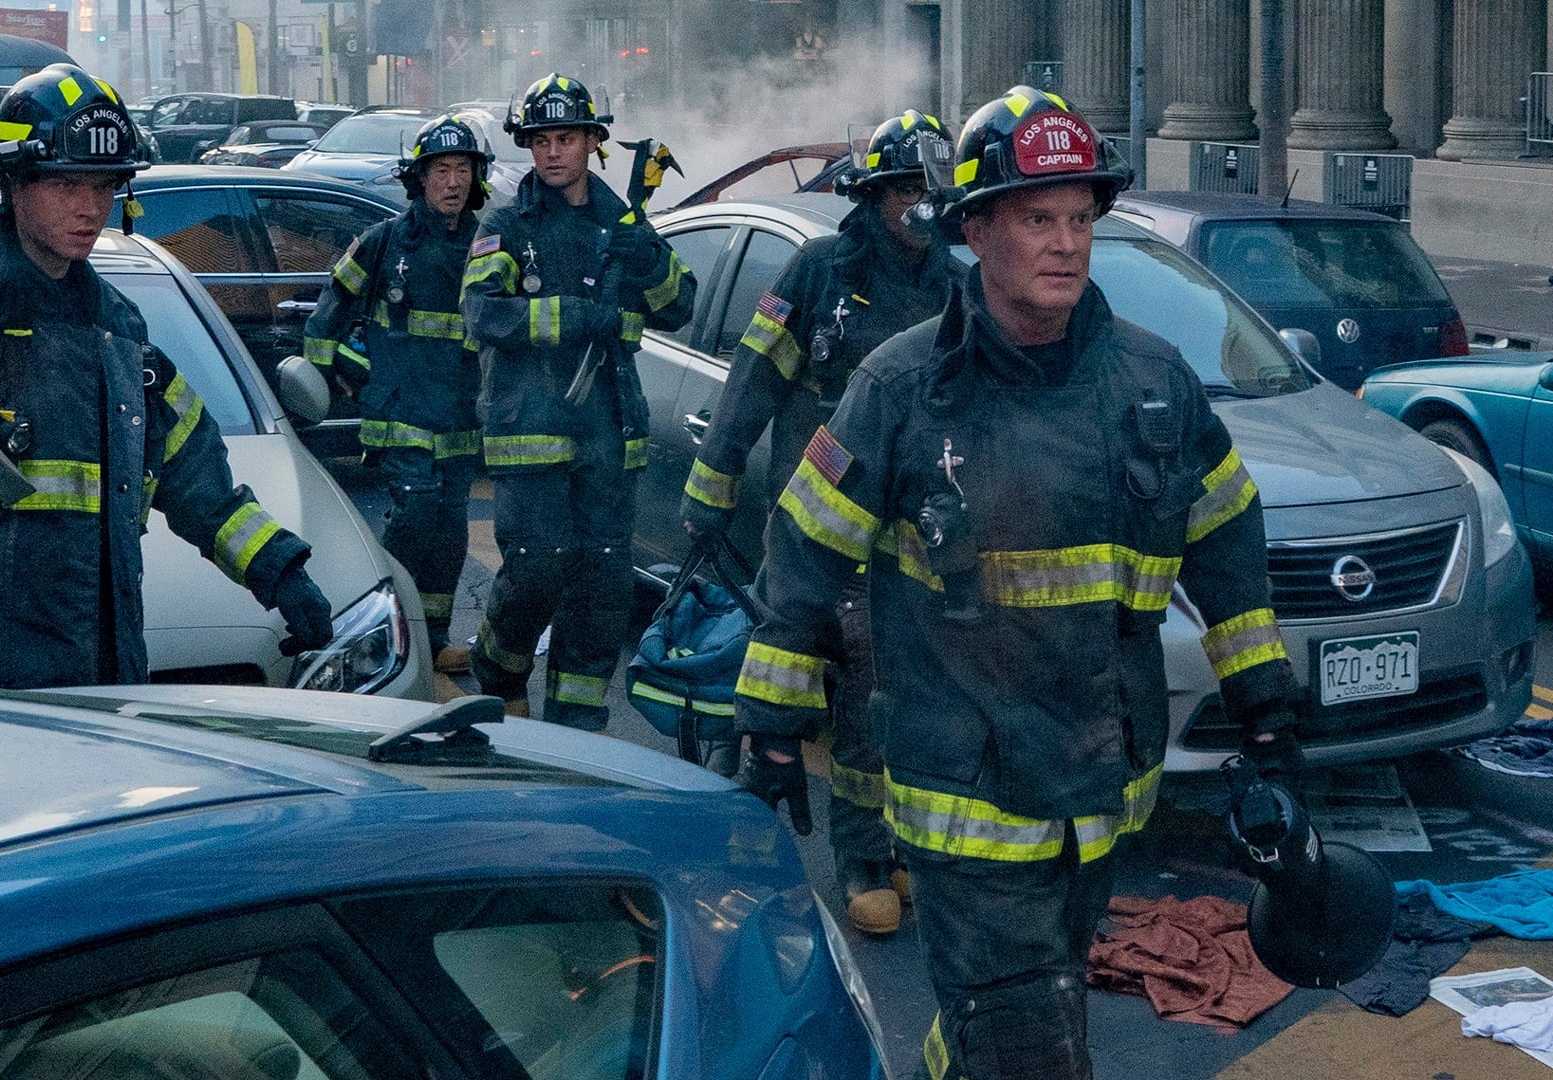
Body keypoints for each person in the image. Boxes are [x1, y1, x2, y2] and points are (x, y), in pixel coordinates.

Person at [731, 86, 1300, 1080]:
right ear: (975, 228)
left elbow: (1225, 536)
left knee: (1018, 1013)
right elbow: (806, 548)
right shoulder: (901, 389)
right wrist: (771, 722)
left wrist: (1263, 705)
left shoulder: (1153, 382)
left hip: (1103, 792)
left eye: (1081, 218)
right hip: (966, 799)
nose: (1067, 245)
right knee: (1033, 1049)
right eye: (1038, 219)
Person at [0, 63, 334, 689]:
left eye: (105, 186)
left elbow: (198, 482)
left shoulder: (117, 328)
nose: (90, 208)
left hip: (102, 683)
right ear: (13, 183)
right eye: (67, 184)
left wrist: (281, 573)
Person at [680, 109, 957, 938]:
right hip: (816, 521)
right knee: (802, 680)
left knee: (891, 694)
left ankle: (884, 846)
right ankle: (830, 851)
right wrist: (713, 480)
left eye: (929, 190)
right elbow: (753, 379)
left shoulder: (956, 285)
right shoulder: (817, 273)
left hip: (910, 531)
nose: (919, 206)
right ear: (872, 195)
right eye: (904, 190)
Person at [460, 73, 695, 726]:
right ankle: (498, 667)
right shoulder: (507, 226)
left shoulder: (623, 225)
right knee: (537, 568)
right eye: (541, 140)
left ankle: (576, 733)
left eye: (566, 138)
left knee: (601, 586)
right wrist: (573, 316)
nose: (553, 151)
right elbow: (482, 313)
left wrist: (647, 259)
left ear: (593, 141)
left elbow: (679, 305)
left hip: (608, 434)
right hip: (529, 431)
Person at [304, 114, 489, 686]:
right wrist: (335, 380)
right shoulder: (383, 243)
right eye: (441, 170)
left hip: (460, 416)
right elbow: (325, 319)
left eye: (462, 170)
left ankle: (434, 638)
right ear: (419, 178)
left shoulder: (488, 246)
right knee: (415, 515)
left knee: (450, 527)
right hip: (400, 414)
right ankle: (395, 632)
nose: (453, 181)